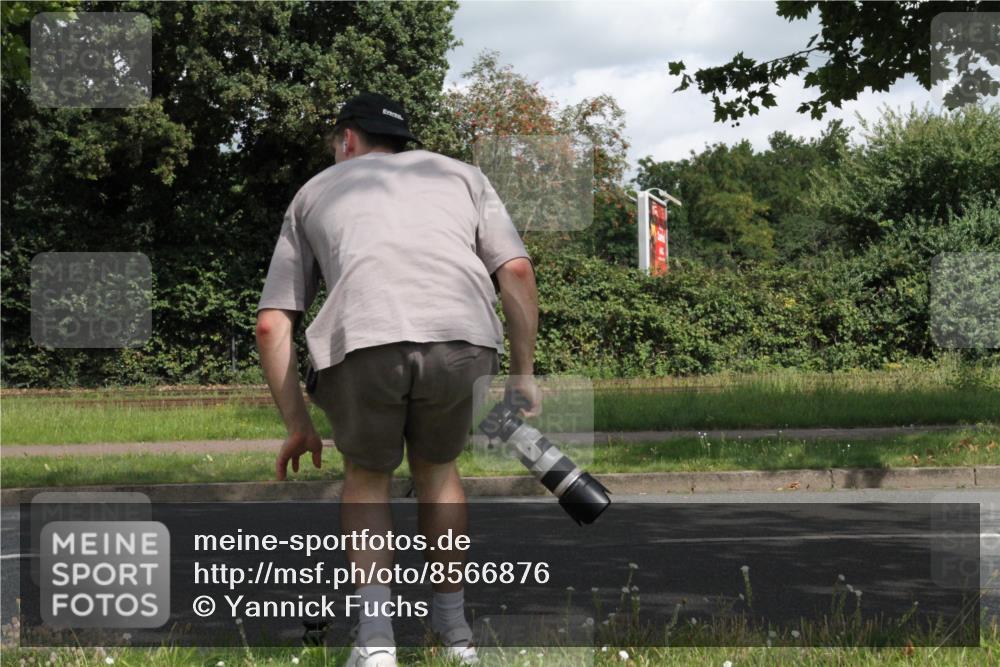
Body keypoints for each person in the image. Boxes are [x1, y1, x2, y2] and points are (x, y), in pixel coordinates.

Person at [255, 92, 541, 667]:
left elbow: (271, 323)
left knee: (365, 476)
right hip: (463, 336)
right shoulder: (463, 176)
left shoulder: (314, 191)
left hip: (362, 338)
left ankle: (376, 643)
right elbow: (515, 269)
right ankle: (455, 635)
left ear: (349, 140)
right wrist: (523, 374)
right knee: (438, 473)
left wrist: (297, 425)